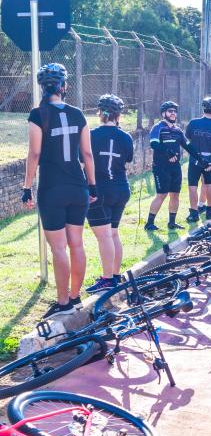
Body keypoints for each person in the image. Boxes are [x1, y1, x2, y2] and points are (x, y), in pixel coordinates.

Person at [22, 62, 97, 319]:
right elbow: (86, 153)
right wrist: (93, 185)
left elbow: (34, 153)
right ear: (64, 87)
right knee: (77, 244)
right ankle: (76, 297)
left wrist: (26, 187)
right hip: (78, 187)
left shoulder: (37, 114)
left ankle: (63, 302)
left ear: (42, 87)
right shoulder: (78, 114)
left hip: (51, 189)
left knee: (58, 249)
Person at [86, 94, 134, 293]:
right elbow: (128, 160)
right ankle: (115, 275)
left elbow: (84, 161)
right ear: (118, 115)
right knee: (113, 233)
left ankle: (107, 279)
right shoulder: (126, 136)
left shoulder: (91, 134)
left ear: (100, 113)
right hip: (121, 189)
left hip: (99, 190)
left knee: (104, 236)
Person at [145, 101, 199, 232]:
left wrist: (201, 159)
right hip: (160, 167)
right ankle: (149, 223)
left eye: (175, 111)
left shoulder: (177, 130)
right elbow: (154, 144)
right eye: (170, 111)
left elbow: (188, 146)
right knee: (161, 195)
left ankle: (172, 222)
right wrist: (168, 153)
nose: (173, 113)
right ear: (164, 113)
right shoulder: (158, 127)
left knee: (175, 194)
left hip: (175, 167)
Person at [184, 97, 211, 224]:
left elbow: (188, 137)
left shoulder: (193, 122)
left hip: (195, 158)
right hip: (210, 159)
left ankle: (194, 213)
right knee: (209, 183)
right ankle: (210, 211)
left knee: (192, 185)